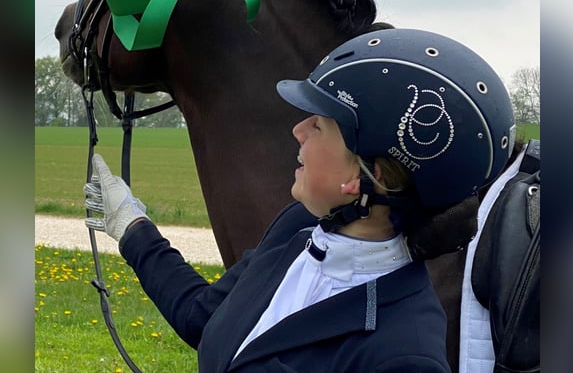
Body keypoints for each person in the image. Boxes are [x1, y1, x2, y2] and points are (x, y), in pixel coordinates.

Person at [85, 28, 516, 372]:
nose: (298, 130)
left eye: (320, 125)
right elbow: (204, 318)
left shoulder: (402, 353)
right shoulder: (297, 230)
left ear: (366, 176)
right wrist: (131, 227)